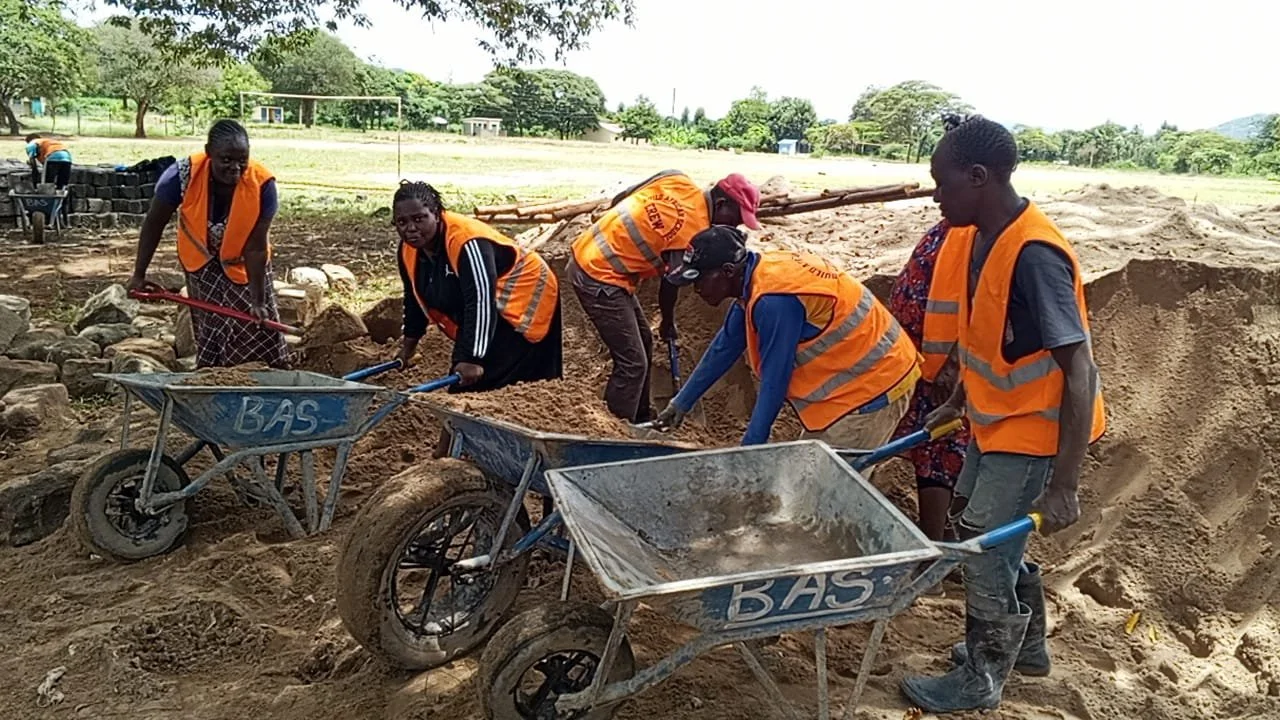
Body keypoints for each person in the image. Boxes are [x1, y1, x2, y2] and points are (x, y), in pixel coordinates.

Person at [899, 116, 1106, 714]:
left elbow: (1080, 369)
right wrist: (957, 402)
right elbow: (987, 333)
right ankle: (1028, 647)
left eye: (942, 182)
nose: (935, 195)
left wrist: (1065, 484)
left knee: (985, 551)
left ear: (978, 176)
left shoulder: (1035, 255)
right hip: (993, 421)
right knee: (984, 533)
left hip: (1033, 432)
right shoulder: (978, 238)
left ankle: (980, 678)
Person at [653, 225, 921, 453]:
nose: (696, 289)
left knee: (823, 487)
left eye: (700, 280)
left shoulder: (774, 302)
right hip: (853, 384)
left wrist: (749, 449)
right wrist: (681, 403)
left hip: (876, 384)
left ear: (728, 271)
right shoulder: (755, 279)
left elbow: (775, 380)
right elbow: (725, 346)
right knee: (810, 477)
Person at [568, 169, 761, 424]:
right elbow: (671, 283)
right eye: (735, 219)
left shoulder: (676, 179)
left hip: (592, 249)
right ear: (722, 203)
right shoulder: (691, 232)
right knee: (633, 363)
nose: (733, 226)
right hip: (598, 274)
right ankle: (614, 428)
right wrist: (667, 321)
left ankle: (639, 418)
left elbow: (621, 198)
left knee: (644, 342)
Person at [127, 119, 288, 368]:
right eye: (226, 160)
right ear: (208, 152)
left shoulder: (263, 185)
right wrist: (139, 274)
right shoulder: (180, 176)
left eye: (242, 160)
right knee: (211, 323)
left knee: (254, 324)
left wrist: (258, 301)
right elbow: (154, 224)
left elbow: (256, 248)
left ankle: (264, 373)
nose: (235, 168)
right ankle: (214, 374)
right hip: (201, 259)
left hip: (245, 262)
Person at [392, 180, 562, 393]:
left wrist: (472, 358)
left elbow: (481, 300)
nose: (410, 228)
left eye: (419, 219)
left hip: (524, 300)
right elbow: (414, 299)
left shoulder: (467, 242)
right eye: (402, 222)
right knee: (469, 383)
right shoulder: (409, 250)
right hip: (488, 307)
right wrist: (408, 348)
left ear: (436, 214)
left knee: (513, 383)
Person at [886, 218, 969, 542]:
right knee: (929, 450)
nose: (936, 196)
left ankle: (941, 545)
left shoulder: (978, 235)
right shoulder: (952, 225)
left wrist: (953, 366)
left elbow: (983, 308)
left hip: (945, 374)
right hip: (923, 364)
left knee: (941, 452)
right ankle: (940, 540)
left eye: (944, 190)